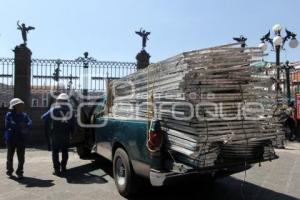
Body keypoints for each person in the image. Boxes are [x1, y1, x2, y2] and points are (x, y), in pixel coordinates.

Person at [41, 93, 74, 176]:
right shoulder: (71, 111)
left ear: (58, 101)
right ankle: (63, 168)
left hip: (56, 134)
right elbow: (73, 124)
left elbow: (44, 117)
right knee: (65, 151)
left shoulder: (54, 109)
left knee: (55, 152)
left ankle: (57, 170)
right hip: (66, 134)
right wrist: (72, 135)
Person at [4, 98, 32, 179]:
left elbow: (30, 122)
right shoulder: (9, 115)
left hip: (21, 138)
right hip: (11, 138)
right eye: (20, 105)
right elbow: (8, 125)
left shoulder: (24, 115)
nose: (22, 106)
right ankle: (9, 170)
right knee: (10, 156)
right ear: (15, 106)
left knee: (21, 157)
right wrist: (21, 125)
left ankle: (19, 171)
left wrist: (26, 125)